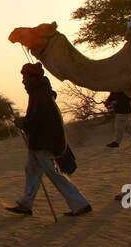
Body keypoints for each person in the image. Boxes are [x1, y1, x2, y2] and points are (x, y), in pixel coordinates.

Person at [5, 63, 91, 217]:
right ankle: (26, 203)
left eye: (25, 78)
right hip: (40, 141)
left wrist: (21, 123)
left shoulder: (41, 96)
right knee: (31, 170)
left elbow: (38, 121)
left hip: (44, 142)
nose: (23, 82)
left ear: (32, 78)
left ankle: (80, 203)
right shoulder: (40, 93)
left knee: (53, 173)